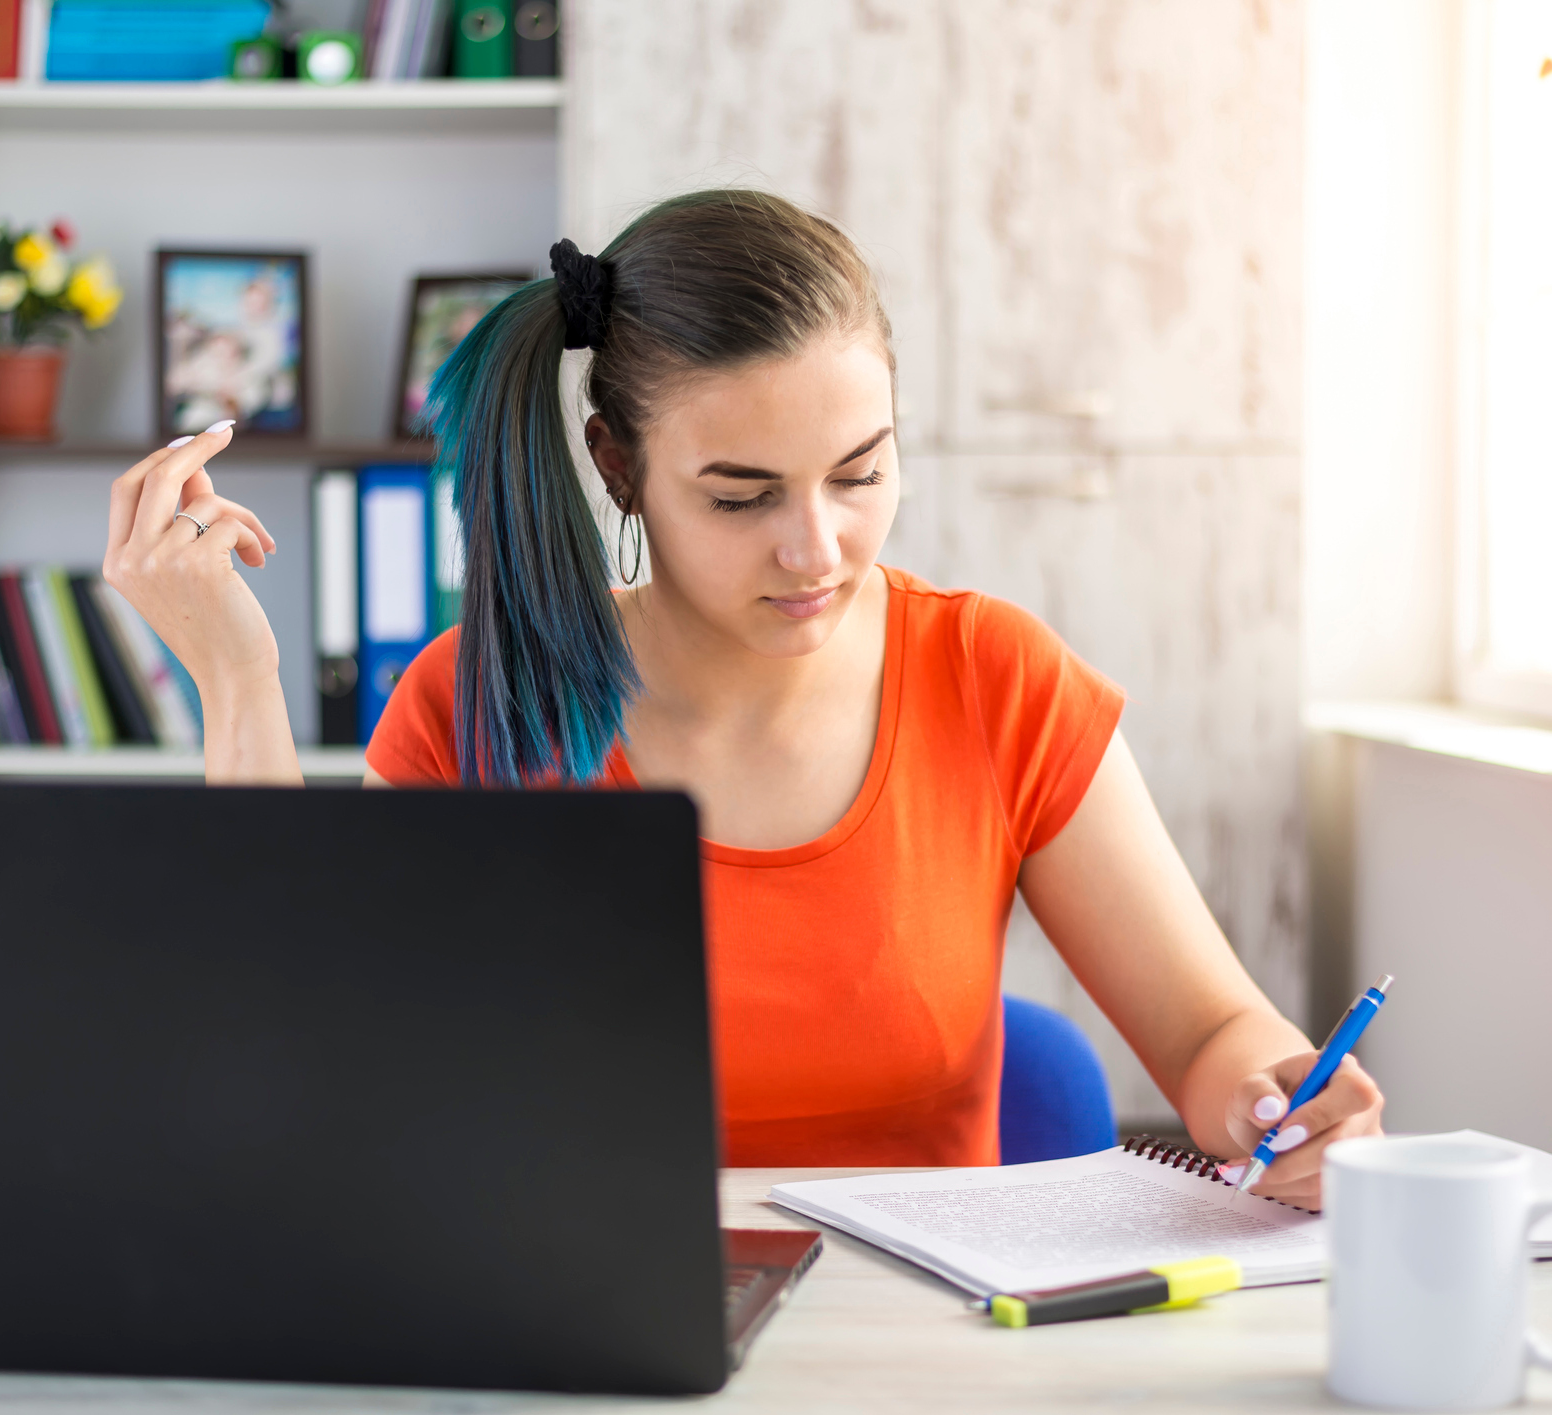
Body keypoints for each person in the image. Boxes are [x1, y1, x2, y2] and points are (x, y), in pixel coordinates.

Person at [103, 189, 1381, 1206]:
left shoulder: (996, 677)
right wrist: (236, 676)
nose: (818, 547)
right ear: (618, 466)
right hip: (558, 1326)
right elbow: (291, 1061)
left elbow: (1214, 1030)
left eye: (860, 473)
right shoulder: (476, 705)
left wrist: (1275, 1097)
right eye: (742, 494)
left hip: (908, 1354)